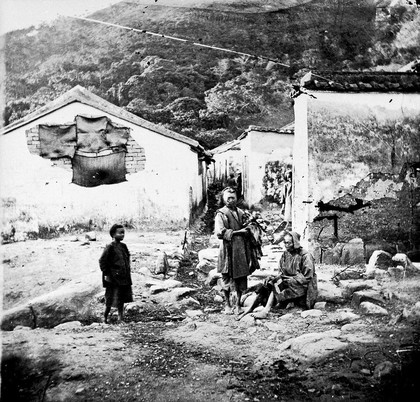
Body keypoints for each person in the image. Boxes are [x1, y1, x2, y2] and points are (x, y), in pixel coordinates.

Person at [251, 231, 317, 319]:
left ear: (295, 243)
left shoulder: (305, 256)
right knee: (271, 282)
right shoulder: (285, 254)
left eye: (288, 243)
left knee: (277, 284)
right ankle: (260, 307)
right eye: (284, 242)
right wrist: (274, 277)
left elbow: (308, 277)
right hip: (289, 283)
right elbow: (281, 272)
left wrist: (291, 280)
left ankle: (266, 310)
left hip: (302, 286)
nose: (285, 245)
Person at [215, 187, 254, 315]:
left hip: (240, 249)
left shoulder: (241, 212)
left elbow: (247, 226)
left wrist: (250, 226)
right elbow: (220, 232)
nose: (231, 200)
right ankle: (227, 304)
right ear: (223, 199)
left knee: (240, 276)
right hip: (227, 249)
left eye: (233, 198)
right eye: (228, 198)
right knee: (226, 276)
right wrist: (239, 232)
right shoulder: (221, 214)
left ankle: (237, 304)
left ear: (236, 198)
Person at [99, 224, 133, 323]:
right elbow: (102, 261)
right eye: (120, 233)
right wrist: (106, 274)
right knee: (110, 298)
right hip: (113, 278)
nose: (122, 235)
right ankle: (105, 317)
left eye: (123, 233)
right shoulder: (110, 247)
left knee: (121, 298)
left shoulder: (123, 246)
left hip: (123, 277)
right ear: (113, 234)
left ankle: (120, 318)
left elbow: (127, 259)